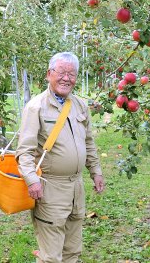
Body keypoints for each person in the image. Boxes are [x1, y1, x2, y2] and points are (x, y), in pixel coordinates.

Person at [15, 52, 105, 263]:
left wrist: (96, 171)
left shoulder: (80, 105)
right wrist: (31, 180)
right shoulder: (36, 107)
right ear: (49, 74)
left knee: (72, 251)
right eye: (61, 72)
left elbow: (89, 142)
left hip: (76, 187)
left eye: (71, 74)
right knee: (51, 256)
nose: (66, 78)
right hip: (50, 188)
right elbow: (24, 151)